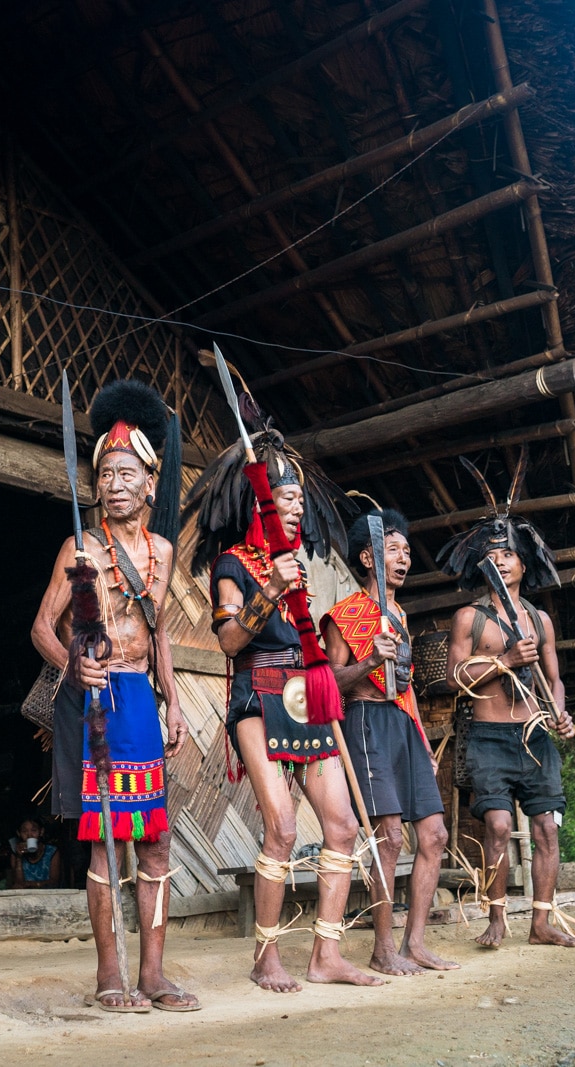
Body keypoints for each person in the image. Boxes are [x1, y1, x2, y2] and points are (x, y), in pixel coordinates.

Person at [183, 395, 381, 994]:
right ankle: (266, 956)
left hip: (305, 693)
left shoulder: (299, 568)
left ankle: (326, 953)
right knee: (285, 828)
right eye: (286, 499)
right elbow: (227, 640)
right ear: (261, 504)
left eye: (300, 500)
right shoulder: (233, 565)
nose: (296, 508)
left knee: (342, 826)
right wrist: (269, 588)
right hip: (256, 694)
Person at [31, 379, 197, 1013]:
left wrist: (174, 700)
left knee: (154, 841)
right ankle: (110, 974)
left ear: (151, 483)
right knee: (106, 837)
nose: (116, 483)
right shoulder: (80, 549)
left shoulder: (161, 551)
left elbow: (161, 635)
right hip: (94, 703)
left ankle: (152, 975)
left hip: (141, 704)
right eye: (105, 473)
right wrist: (73, 662)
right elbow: (42, 627)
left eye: (127, 472)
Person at [440, 457, 575, 950]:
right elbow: (457, 677)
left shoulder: (539, 619)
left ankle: (542, 923)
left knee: (546, 827)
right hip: (488, 736)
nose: (501, 561)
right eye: (493, 554)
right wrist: (503, 660)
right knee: (497, 826)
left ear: (524, 563)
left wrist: (559, 712)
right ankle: (497, 919)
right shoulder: (469, 618)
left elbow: (554, 681)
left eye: (509, 554)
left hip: (535, 734)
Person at [321, 507, 457, 975]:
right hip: (364, 721)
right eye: (391, 549)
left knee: (435, 834)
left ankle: (414, 943)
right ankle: (382, 949)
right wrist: (367, 663)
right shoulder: (344, 615)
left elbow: (407, 686)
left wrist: (421, 739)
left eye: (405, 551)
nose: (403, 558)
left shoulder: (397, 614)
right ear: (367, 557)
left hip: (402, 725)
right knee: (390, 838)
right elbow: (330, 682)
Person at [8, 817, 63, 889]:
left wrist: (32, 884)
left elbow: (54, 881)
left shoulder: (51, 852)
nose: (29, 835)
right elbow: (19, 884)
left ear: (41, 831)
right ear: (19, 833)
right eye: (24, 831)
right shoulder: (15, 854)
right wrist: (19, 857)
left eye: (33, 831)